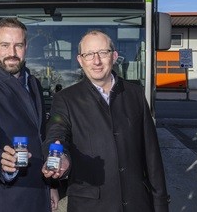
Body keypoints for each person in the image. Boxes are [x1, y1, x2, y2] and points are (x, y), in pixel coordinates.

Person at [42, 30, 170, 212]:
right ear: (80, 60)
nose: (96, 61)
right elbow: (56, 134)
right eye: (89, 55)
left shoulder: (136, 94)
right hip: (90, 206)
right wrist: (59, 157)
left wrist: (160, 205)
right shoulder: (65, 99)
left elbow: (152, 156)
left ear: (114, 56)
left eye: (103, 53)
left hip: (137, 203)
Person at [0, 18, 58, 212]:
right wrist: (3, 162)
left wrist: (51, 186)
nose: (12, 53)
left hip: (39, 191)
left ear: (26, 47)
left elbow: (40, 135)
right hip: (7, 197)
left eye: (18, 45)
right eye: (5, 45)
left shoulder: (34, 82)